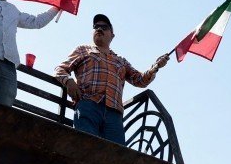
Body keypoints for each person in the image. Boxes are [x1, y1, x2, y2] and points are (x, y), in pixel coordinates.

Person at [54, 14, 170, 145]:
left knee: (116, 154)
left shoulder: (120, 61)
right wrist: (69, 81)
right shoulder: (83, 50)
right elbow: (60, 69)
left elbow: (139, 80)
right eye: (96, 27)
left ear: (112, 35)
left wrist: (156, 67)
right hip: (88, 105)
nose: (99, 29)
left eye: (104, 27)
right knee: (86, 146)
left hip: (113, 114)